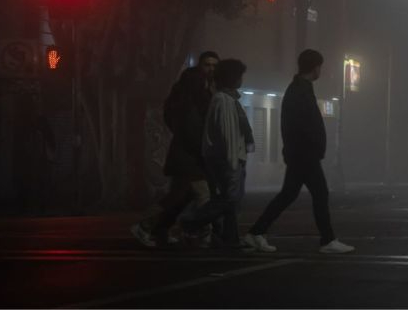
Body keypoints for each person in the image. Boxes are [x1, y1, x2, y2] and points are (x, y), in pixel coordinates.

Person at [243, 49, 354, 254]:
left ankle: (256, 232)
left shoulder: (299, 89)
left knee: (288, 194)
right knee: (319, 193)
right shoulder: (300, 91)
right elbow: (302, 125)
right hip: (304, 154)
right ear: (316, 67)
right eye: (320, 66)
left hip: (300, 154)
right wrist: (312, 147)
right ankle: (327, 240)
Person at [131, 51, 219, 248]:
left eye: (214, 65)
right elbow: (191, 127)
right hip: (189, 155)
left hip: (187, 154)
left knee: (181, 196)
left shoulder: (198, 91)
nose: (211, 69)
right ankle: (151, 227)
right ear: (199, 67)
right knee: (198, 195)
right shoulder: (194, 94)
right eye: (207, 65)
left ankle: (161, 229)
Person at [181, 58, 253, 250]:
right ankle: (192, 221)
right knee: (229, 200)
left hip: (225, 159)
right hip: (227, 160)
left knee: (231, 202)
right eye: (240, 76)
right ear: (233, 78)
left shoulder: (227, 99)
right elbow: (227, 134)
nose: (241, 80)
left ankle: (229, 239)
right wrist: (233, 162)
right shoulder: (224, 100)